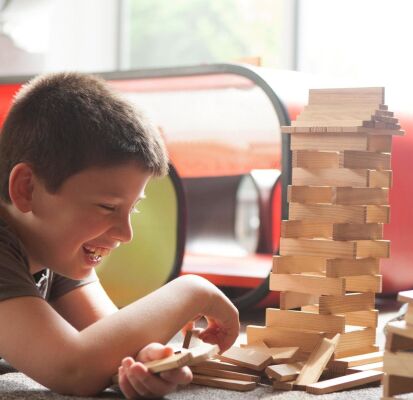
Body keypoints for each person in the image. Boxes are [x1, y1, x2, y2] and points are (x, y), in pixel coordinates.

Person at [0, 72, 240, 398]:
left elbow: (107, 337)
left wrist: (147, 360)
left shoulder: (53, 247)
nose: (126, 234)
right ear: (27, 188)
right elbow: (72, 369)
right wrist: (194, 291)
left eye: (132, 209)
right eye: (107, 207)